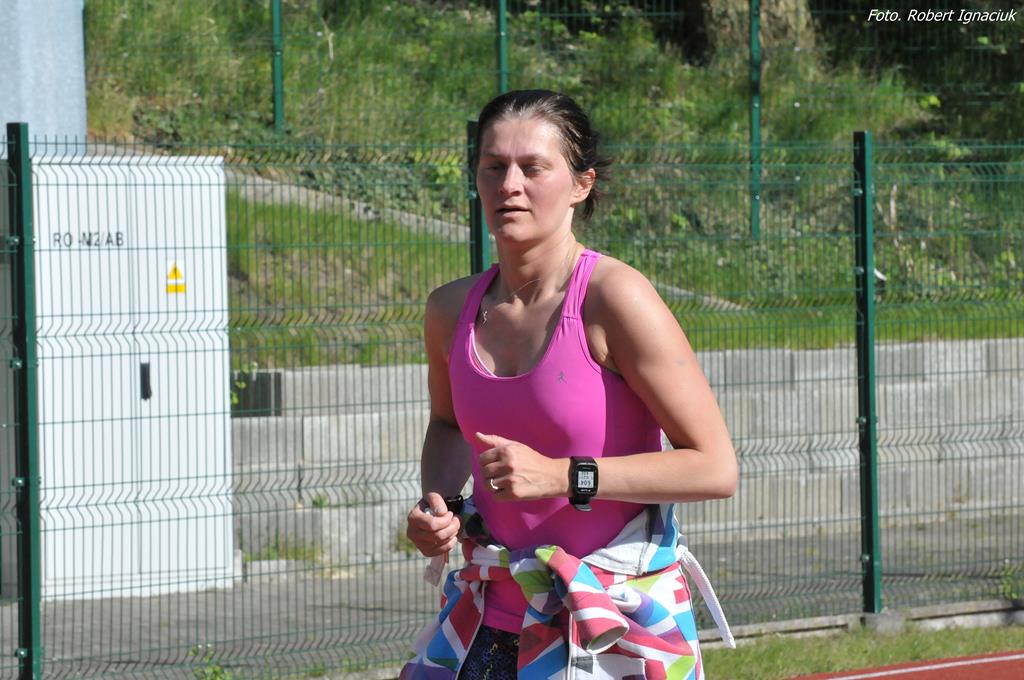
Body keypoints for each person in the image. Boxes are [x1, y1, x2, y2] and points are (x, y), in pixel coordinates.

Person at [402, 89, 738, 680]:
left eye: (533, 168)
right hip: (491, 619)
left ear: (581, 184)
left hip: (612, 624)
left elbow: (714, 468)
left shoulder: (615, 298)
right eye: (493, 166)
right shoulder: (449, 310)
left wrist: (565, 476)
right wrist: (442, 505)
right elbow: (450, 423)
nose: (509, 185)